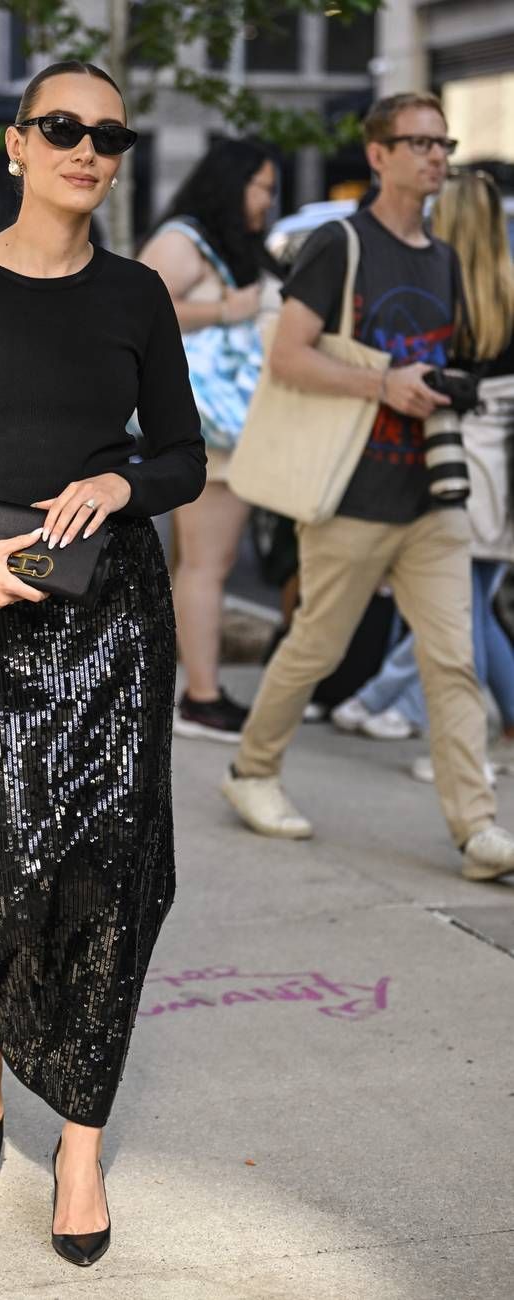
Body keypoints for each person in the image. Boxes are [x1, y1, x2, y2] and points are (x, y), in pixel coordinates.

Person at [0, 61, 204, 1264]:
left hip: (118, 606)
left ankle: (79, 1146)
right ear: (15, 144)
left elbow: (183, 457)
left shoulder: (135, 296)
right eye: (63, 127)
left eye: (109, 136)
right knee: (18, 858)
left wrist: (122, 482)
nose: (87, 149)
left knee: (119, 872)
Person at [221, 92, 514, 883]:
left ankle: (477, 828)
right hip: (350, 490)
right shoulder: (339, 243)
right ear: (378, 155)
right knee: (315, 646)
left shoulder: (444, 259)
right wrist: (384, 383)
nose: (436, 156)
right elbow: (289, 355)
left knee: (454, 663)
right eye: (418, 142)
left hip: (431, 496)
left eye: (443, 143)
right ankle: (252, 770)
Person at [332, 170, 514, 781]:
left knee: (463, 612)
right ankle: (395, 705)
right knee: (471, 602)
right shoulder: (507, 292)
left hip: (452, 462)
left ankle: (459, 746)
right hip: (502, 469)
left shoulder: (446, 294)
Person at [138, 139, 283, 741]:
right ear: (233, 183)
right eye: (262, 187)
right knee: (207, 565)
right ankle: (201, 697)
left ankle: (192, 690)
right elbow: (141, 307)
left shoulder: (210, 243)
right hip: (212, 427)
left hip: (221, 426)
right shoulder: (184, 241)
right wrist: (225, 309)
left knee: (198, 564)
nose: (268, 200)